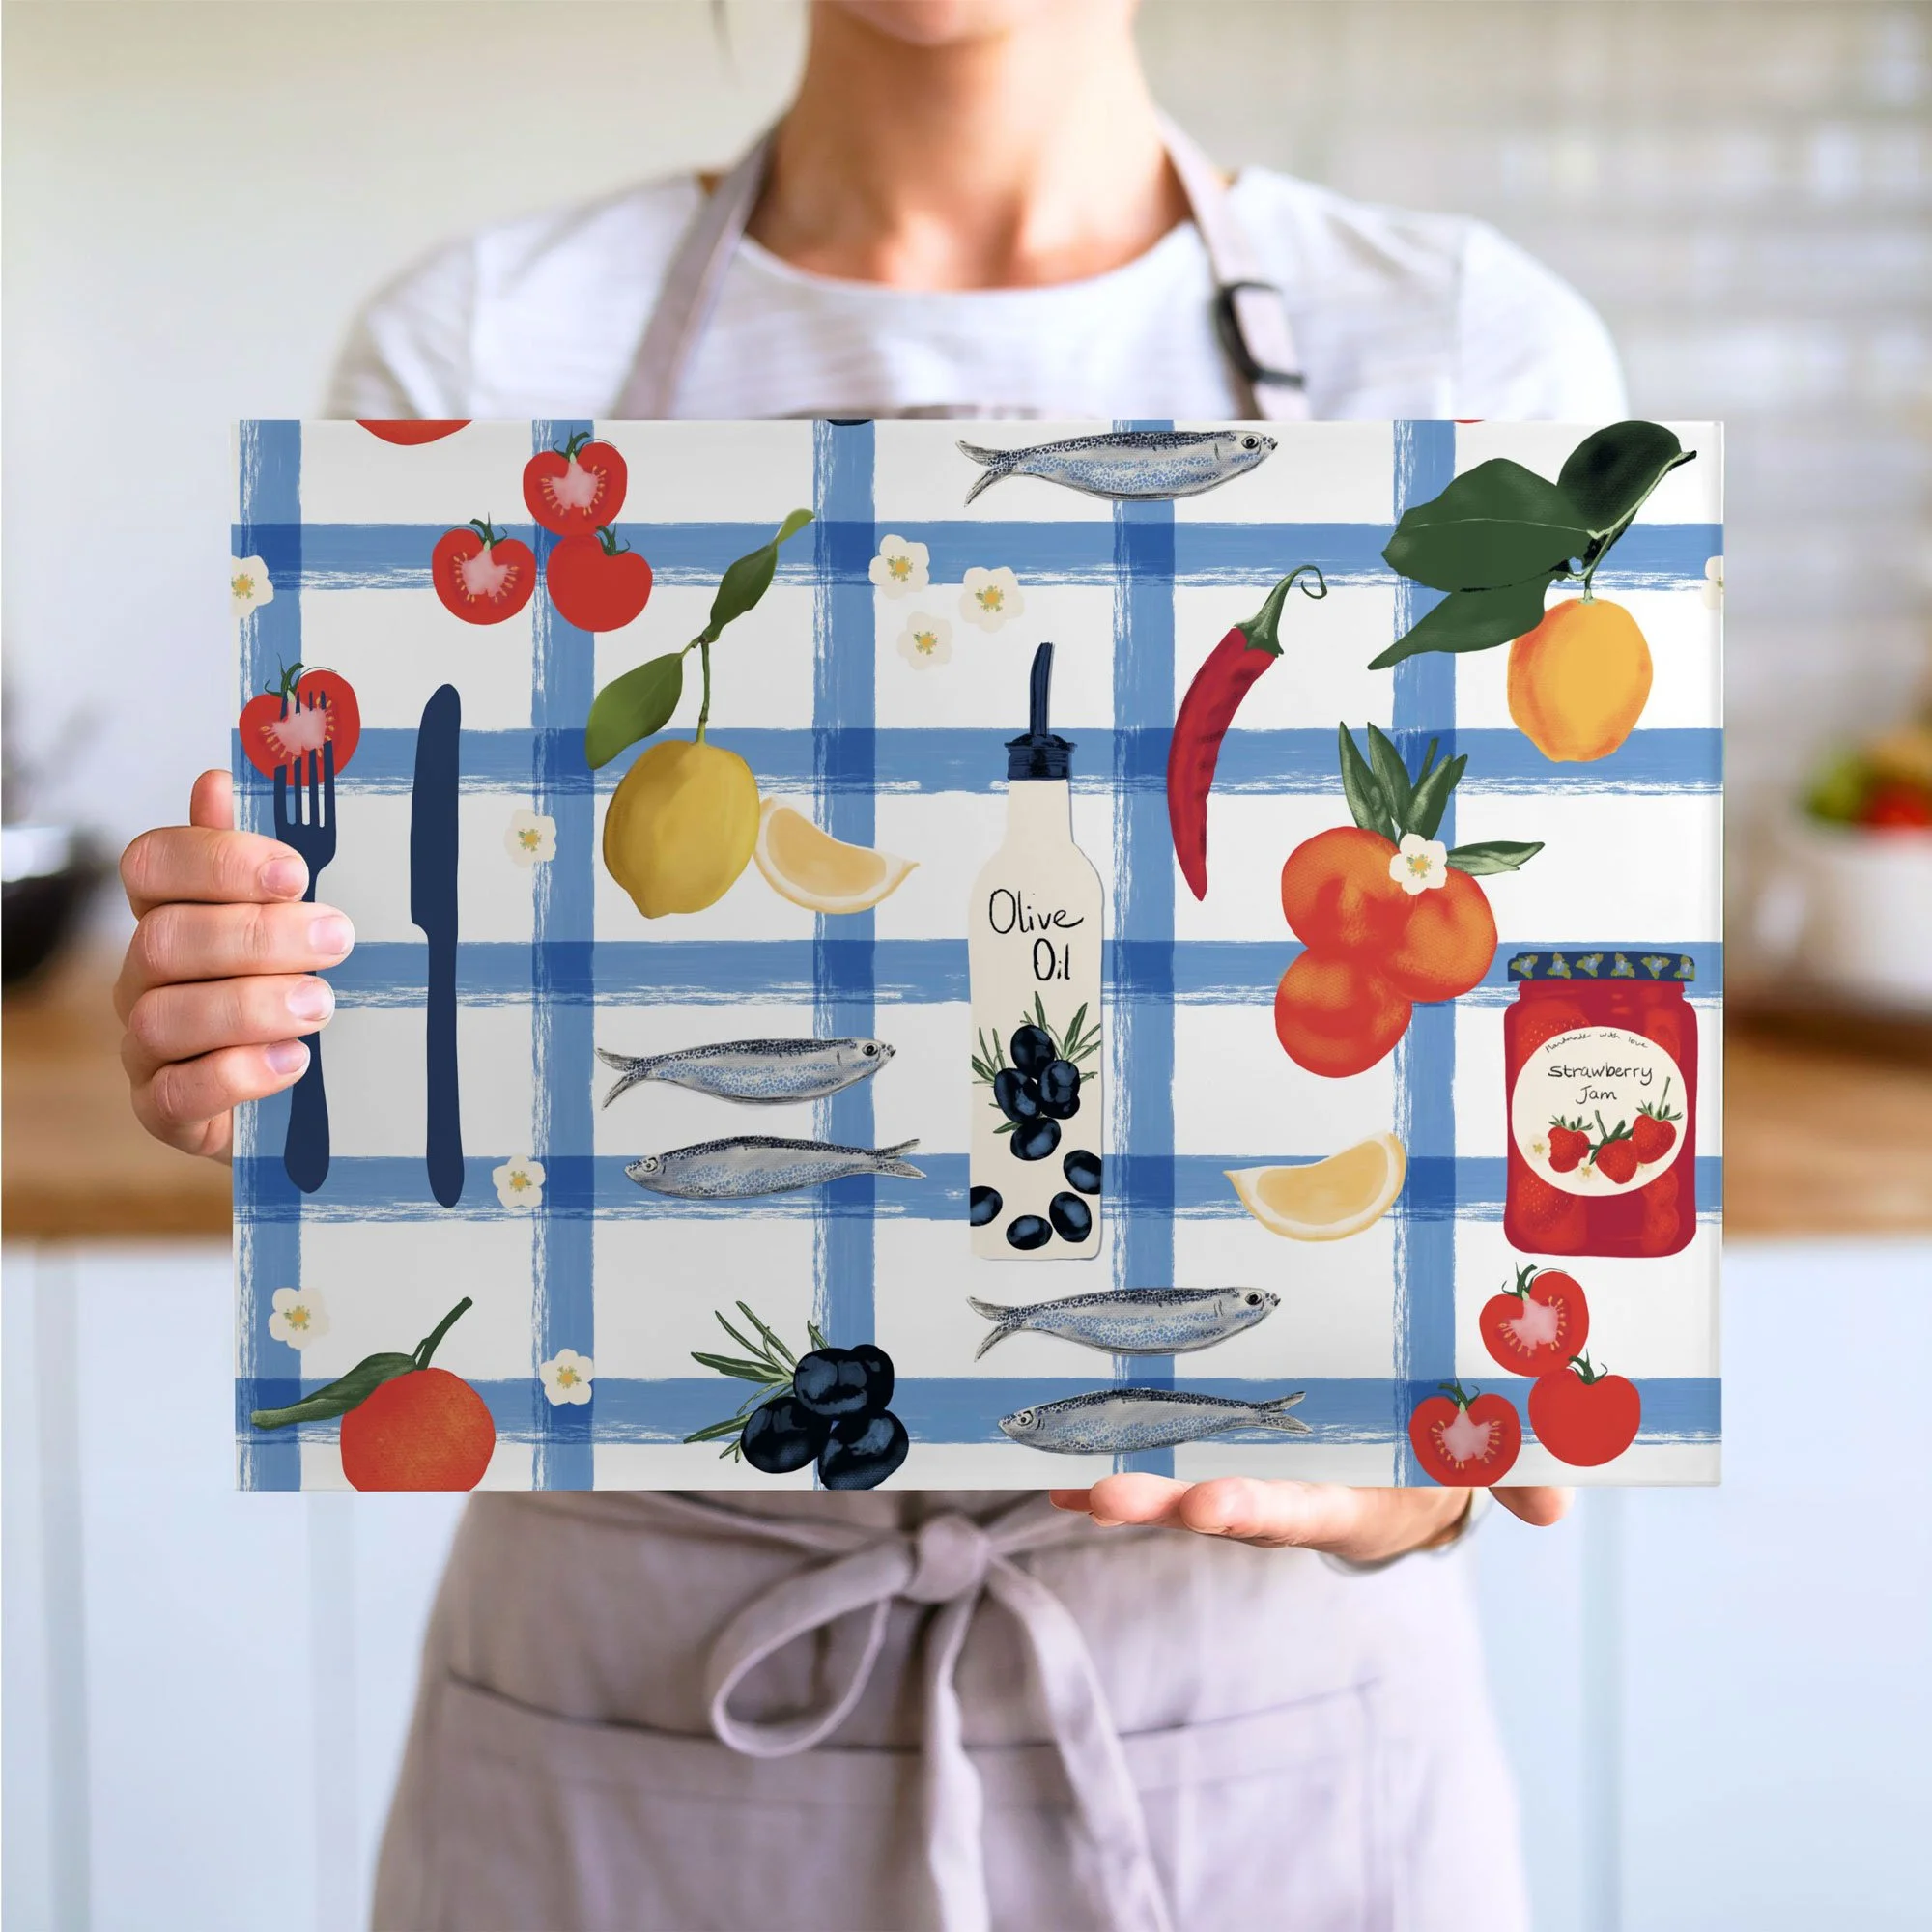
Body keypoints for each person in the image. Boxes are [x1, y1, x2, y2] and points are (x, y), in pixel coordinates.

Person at [120, 3, 1622, 1925]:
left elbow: (1532, 1154)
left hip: (1260, 1739)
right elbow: (422, 1095)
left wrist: (1428, 1472)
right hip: (620, 1728)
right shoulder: (484, 356)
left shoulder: (1471, 356)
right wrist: (261, 1036)